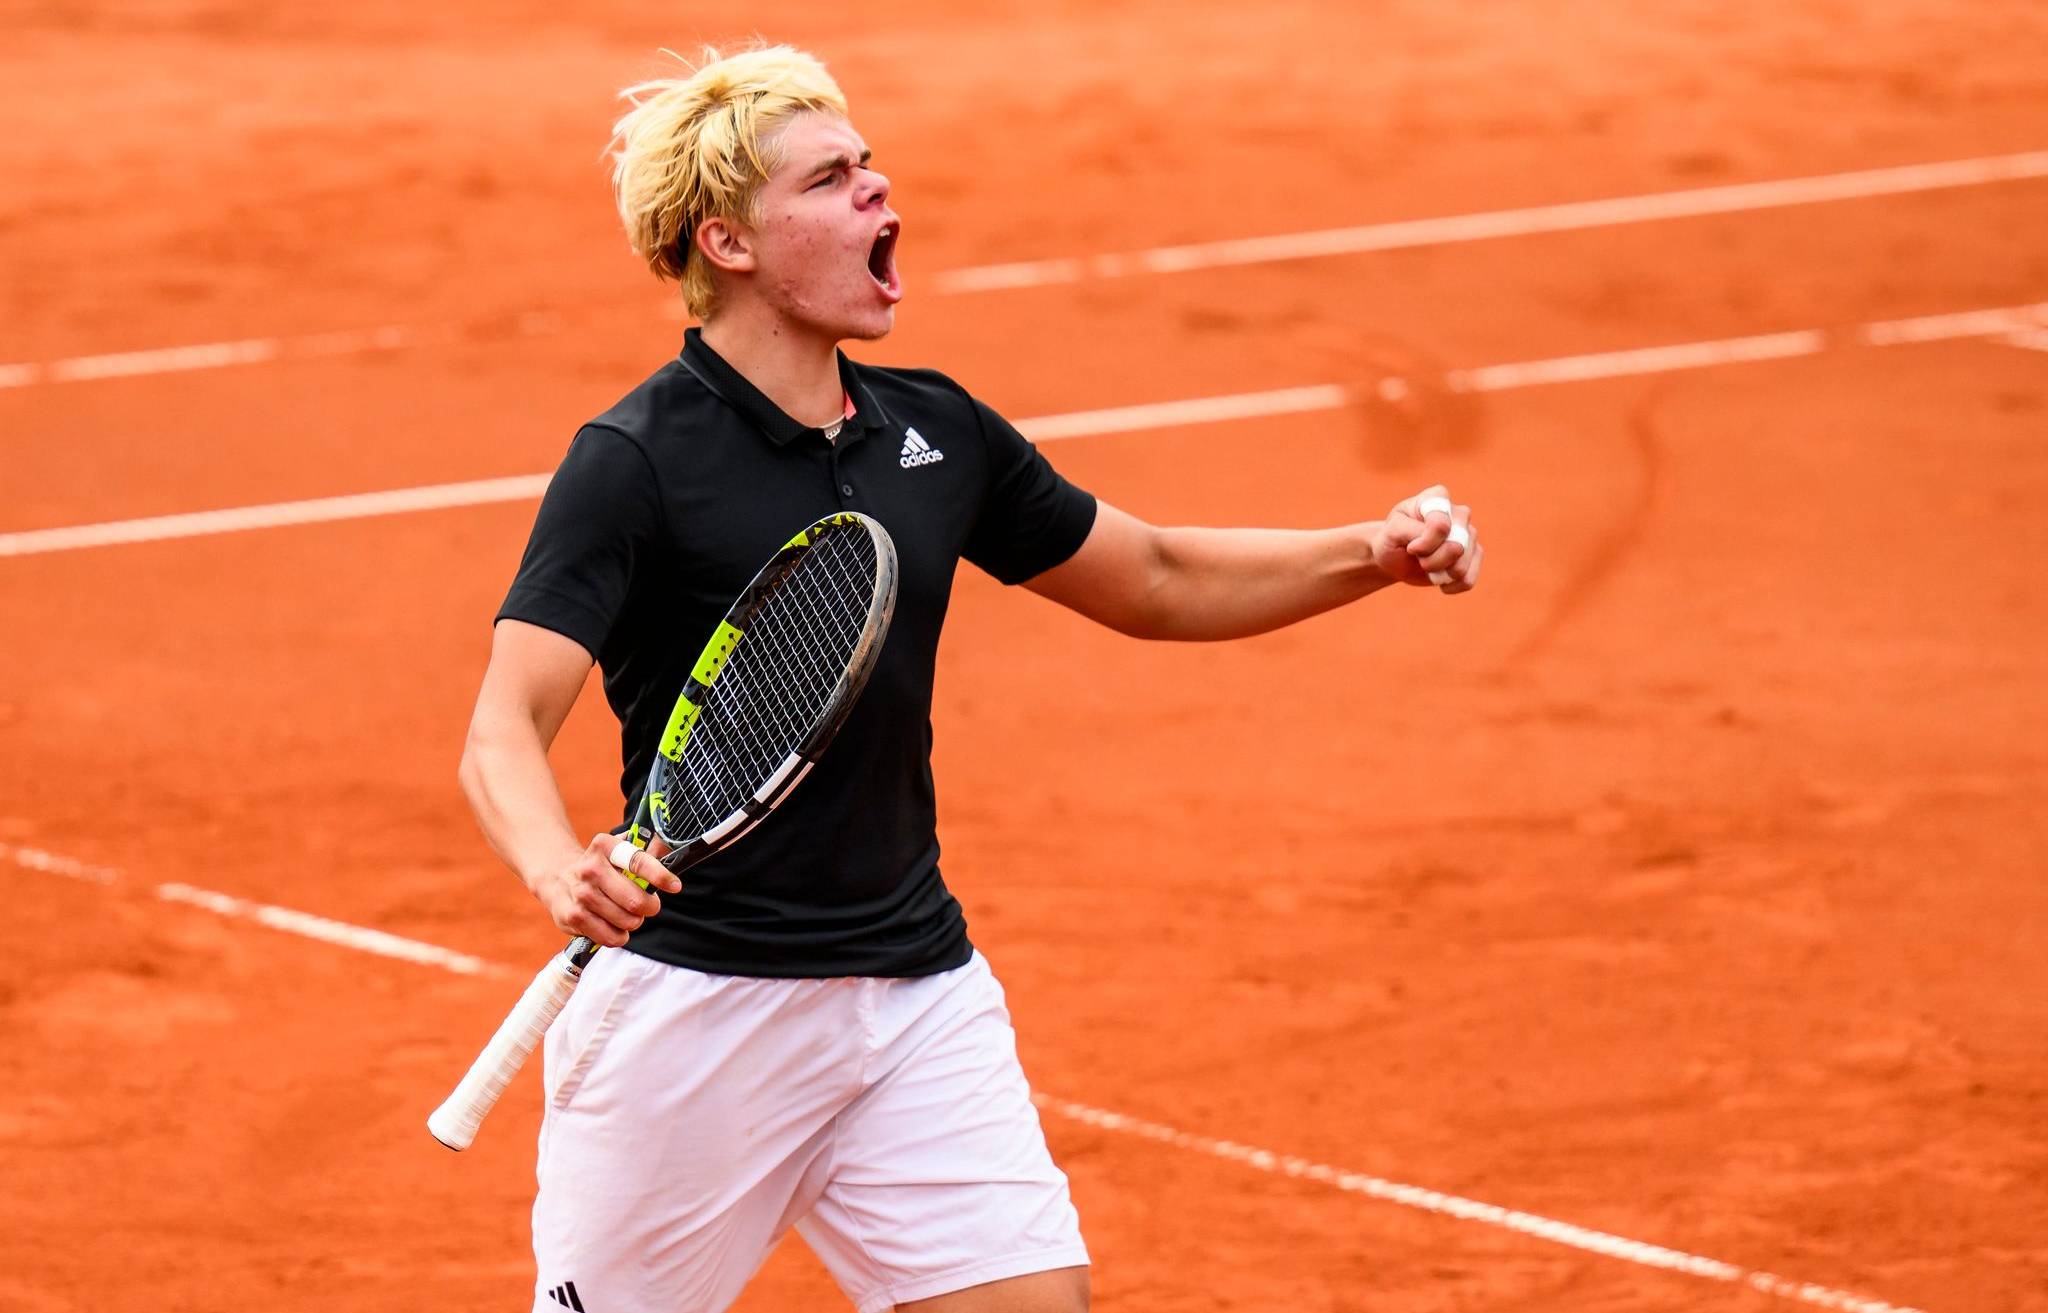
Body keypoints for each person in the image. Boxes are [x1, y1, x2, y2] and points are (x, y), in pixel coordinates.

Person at [459, 44, 1482, 1313]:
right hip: (699, 1016)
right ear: (727, 242)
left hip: (913, 993)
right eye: (829, 179)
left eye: (868, 163)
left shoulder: (933, 431)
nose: (876, 189)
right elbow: (503, 724)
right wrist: (552, 863)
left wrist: (1370, 552)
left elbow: (1155, 575)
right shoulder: (633, 459)